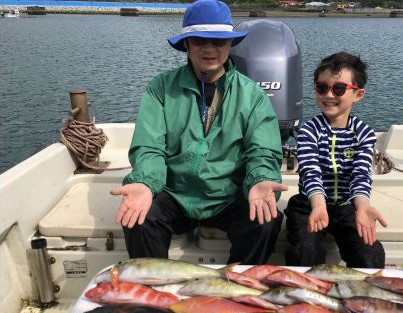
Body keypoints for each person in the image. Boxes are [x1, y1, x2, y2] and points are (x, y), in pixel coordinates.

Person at [111, 0, 287, 265]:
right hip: (175, 194)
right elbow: (149, 146)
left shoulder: (252, 95)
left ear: (230, 44)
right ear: (186, 44)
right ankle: (153, 293)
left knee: (266, 220)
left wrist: (259, 179)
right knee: (139, 215)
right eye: (199, 40)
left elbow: (263, 150)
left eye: (218, 41)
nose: (209, 49)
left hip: (228, 196)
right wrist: (145, 183)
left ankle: (236, 291)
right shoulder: (160, 88)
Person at [284, 52, 387, 268]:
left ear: (358, 95)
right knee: (305, 252)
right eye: (322, 87)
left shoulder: (364, 133)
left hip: (346, 205)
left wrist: (362, 205)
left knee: (370, 255)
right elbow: (310, 172)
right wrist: (318, 204)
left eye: (338, 88)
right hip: (309, 204)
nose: (329, 94)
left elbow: (360, 175)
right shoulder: (308, 132)